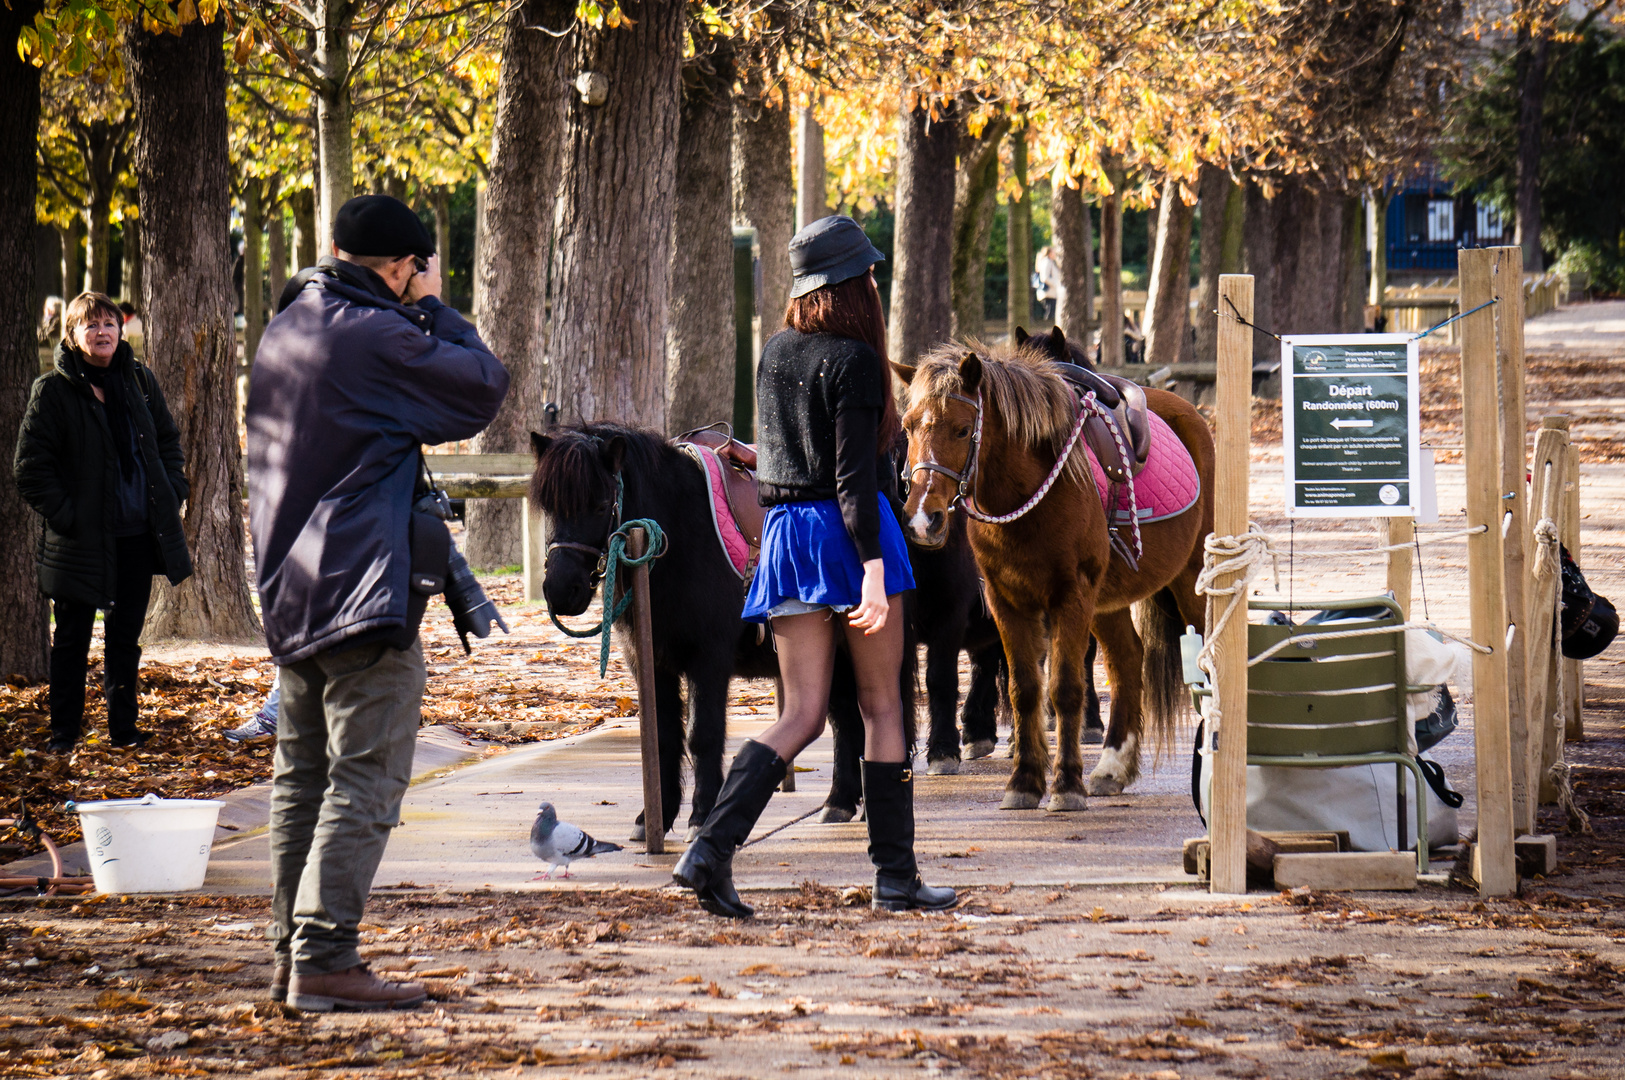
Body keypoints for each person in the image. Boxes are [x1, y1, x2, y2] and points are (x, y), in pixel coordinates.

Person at [247, 195, 509, 1011]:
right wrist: (435, 307)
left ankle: (291, 952)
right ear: (400, 266)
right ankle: (326, 957)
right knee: (367, 774)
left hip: (291, 585)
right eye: (413, 270)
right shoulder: (379, 334)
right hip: (363, 588)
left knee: (301, 777)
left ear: (333, 247)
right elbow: (479, 387)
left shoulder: (287, 324)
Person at [672, 215, 955, 919]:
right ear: (855, 285)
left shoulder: (775, 353)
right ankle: (895, 880)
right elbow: (854, 483)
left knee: (800, 713)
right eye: (870, 275)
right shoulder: (856, 363)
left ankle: (707, 850)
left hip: (788, 537)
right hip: (850, 538)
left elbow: (783, 465)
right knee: (882, 705)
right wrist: (867, 572)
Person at [13, 292, 193, 753]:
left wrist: (171, 491)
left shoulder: (139, 380)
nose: (102, 332)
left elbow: (168, 442)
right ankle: (64, 733)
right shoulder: (52, 392)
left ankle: (124, 730)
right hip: (80, 541)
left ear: (121, 329)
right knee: (71, 641)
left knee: (124, 639)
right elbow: (31, 469)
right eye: (90, 325)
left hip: (136, 535)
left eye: (109, 323)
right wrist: (71, 516)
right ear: (71, 335)